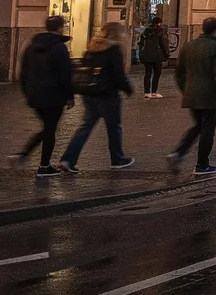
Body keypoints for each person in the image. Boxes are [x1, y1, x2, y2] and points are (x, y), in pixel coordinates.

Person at [58, 23, 134, 172]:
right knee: (114, 127)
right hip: (107, 95)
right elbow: (117, 75)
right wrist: (127, 89)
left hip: (90, 94)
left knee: (85, 127)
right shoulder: (113, 50)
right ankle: (117, 158)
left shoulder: (91, 48)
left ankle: (67, 159)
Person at [12, 16, 74, 176]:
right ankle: (43, 165)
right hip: (53, 95)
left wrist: (27, 91)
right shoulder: (59, 47)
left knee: (47, 128)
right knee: (50, 130)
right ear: (60, 28)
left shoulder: (32, 46)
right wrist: (70, 95)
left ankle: (24, 156)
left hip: (35, 94)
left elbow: (23, 71)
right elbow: (65, 74)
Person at [169, 17, 216, 176]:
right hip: (209, 97)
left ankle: (178, 153)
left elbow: (179, 73)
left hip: (192, 94)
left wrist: (186, 89)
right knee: (207, 130)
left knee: (198, 126)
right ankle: (202, 165)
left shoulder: (188, 46)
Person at [137, 15, 170, 98]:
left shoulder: (145, 32)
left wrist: (141, 55)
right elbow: (163, 44)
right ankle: (154, 92)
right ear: (159, 23)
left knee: (147, 74)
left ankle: (147, 92)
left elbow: (141, 44)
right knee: (156, 74)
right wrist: (166, 54)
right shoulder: (160, 32)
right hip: (157, 56)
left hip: (146, 56)